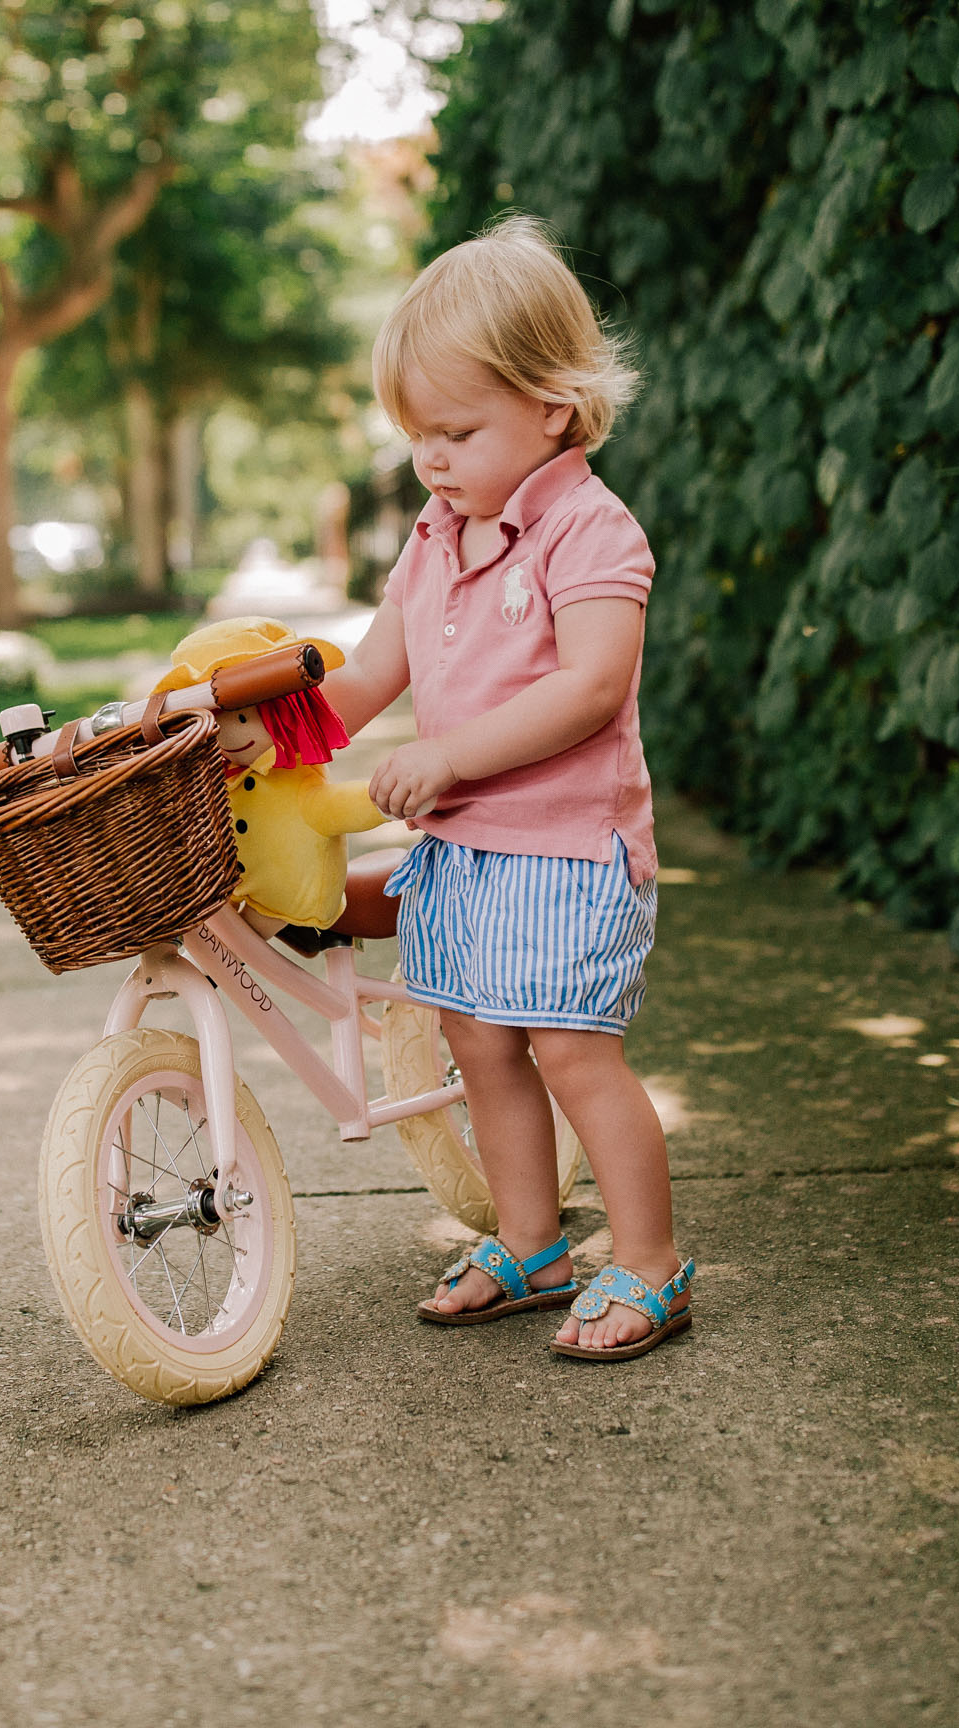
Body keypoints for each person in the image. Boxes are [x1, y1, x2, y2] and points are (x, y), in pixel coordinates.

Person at [321, 216, 693, 1361]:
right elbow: (373, 672)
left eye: (456, 431)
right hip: (468, 855)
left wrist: (451, 755)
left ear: (555, 406)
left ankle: (650, 1262)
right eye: (416, 436)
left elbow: (589, 687)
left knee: (573, 1051)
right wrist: (274, 734)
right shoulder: (438, 534)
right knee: (480, 1046)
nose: (431, 460)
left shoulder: (590, 530)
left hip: (567, 851)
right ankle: (531, 1241)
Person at [152, 617, 384, 932]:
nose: (225, 735)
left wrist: (386, 797)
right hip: (228, 889)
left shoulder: (300, 789)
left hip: (285, 900)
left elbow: (338, 804)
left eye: (243, 718)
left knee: (234, 953)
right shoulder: (221, 777)